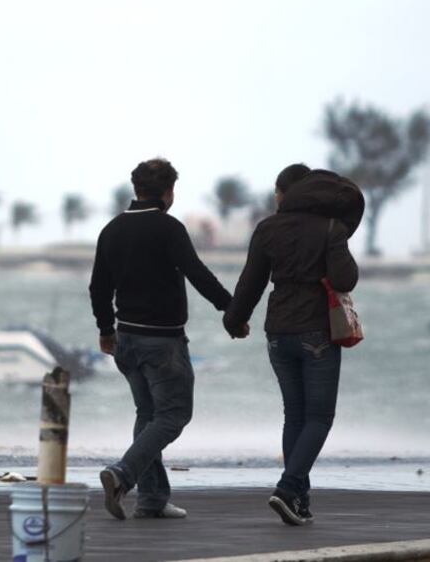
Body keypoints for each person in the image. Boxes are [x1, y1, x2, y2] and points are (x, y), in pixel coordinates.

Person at [89, 158, 241, 520]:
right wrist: (231, 309)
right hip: (163, 343)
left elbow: (98, 287)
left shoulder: (111, 230)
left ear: (136, 188)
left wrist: (106, 330)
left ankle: (152, 499)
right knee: (173, 415)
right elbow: (197, 273)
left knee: (149, 414)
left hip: (125, 338)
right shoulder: (168, 228)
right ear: (169, 192)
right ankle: (122, 474)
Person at [223, 164, 364, 526]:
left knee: (296, 415)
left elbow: (250, 283)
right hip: (316, 331)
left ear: (286, 192)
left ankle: (299, 501)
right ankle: (287, 489)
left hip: (277, 332)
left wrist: (234, 320)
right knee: (319, 417)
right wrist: (337, 242)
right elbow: (345, 278)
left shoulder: (268, 228)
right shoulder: (330, 229)